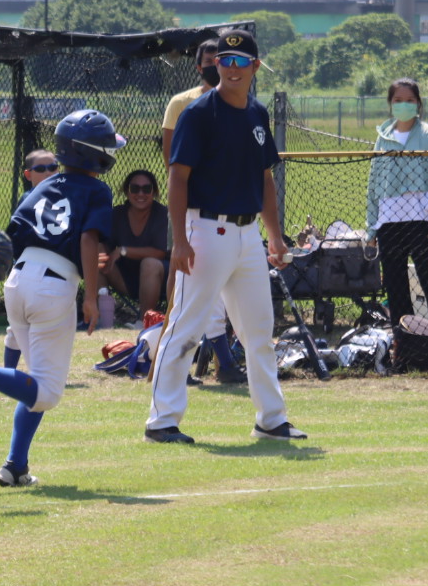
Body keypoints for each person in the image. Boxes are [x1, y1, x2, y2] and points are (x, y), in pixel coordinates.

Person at [0, 110, 120, 487]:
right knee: (46, 393)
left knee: (34, 384)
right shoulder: (97, 189)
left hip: (18, 280)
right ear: (94, 153)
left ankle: (15, 466)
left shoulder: (44, 185)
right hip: (54, 286)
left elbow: (15, 233)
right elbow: (87, 238)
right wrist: (91, 295)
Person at [145, 29, 304, 444]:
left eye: (241, 61)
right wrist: (180, 241)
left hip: (248, 234)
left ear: (255, 67)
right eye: (225, 61)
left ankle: (271, 419)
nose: (233, 69)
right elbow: (177, 178)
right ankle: (161, 421)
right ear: (216, 65)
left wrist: (275, 237)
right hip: (205, 230)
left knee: (259, 331)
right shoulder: (198, 114)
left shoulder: (257, 114)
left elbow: (265, 179)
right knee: (185, 327)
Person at [160, 37, 244, 384]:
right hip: (194, 210)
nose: (216, 66)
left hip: (230, 212)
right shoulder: (184, 104)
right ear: (199, 67)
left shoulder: (240, 103)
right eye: (210, 61)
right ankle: (181, 365)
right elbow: (172, 161)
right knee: (186, 288)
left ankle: (220, 361)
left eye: (221, 60)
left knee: (216, 290)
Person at [365, 78, 428, 328]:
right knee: (395, 287)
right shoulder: (383, 138)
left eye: (409, 100)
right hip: (389, 221)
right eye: (398, 100)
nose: (404, 105)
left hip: (422, 221)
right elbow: (373, 183)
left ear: (418, 103)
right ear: (390, 103)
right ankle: (404, 337)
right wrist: (372, 228)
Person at [0, 149, 62, 368]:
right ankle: (11, 373)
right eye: (41, 169)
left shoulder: (66, 197)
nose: (48, 173)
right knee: (17, 329)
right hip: (28, 269)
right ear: (28, 174)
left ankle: (39, 373)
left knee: (41, 327)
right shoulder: (28, 199)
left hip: (55, 272)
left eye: (53, 167)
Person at [101, 169, 170, 315]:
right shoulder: (118, 214)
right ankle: (101, 313)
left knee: (149, 263)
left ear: (154, 192)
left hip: (160, 279)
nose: (140, 194)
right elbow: (105, 245)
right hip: (126, 279)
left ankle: (145, 321)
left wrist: (123, 250)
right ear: (127, 191)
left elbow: (160, 253)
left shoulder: (162, 214)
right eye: (135, 188)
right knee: (96, 252)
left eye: (147, 189)